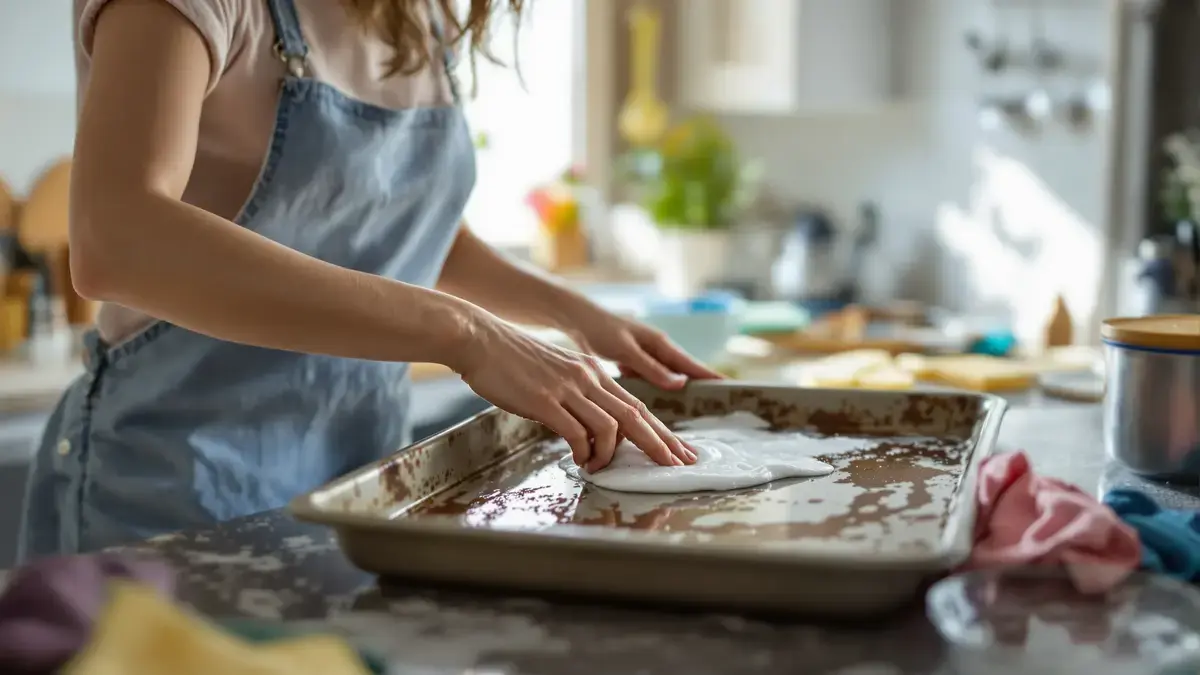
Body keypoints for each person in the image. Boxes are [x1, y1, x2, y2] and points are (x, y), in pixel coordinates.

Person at [19, 0, 721, 559]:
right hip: (172, 491)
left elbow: (404, 228)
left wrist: (574, 314)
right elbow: (116, 238)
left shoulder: (421, 14)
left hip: (358, 490)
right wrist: (466, 332)